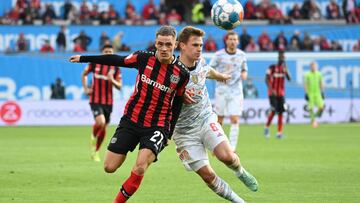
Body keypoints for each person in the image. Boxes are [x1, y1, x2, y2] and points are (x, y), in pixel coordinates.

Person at [69, 25, 189, 203]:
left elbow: (178, 102)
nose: (164, 48)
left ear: (176, 44)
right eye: (160, 44)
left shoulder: (182, 73)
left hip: (157, 126)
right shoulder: (143, 58)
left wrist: (169, 134)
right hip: (131, 120)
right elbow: (116, 59)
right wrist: (84, 58)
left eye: (168, 45)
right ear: (155, 43)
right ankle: (131, 149)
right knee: (109, 167)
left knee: (140, 167)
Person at [173, 26, 258, 203]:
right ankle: (240, 201)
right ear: (182, 45)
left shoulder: (201, 62)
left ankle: (240, 171)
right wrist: (178, 96)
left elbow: (208, 71)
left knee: (227, 156)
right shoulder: (170, 71)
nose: (199, 48)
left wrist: (220, 76)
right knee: (208, 176)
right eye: (195, 45)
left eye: (201, 45)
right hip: (183, 132)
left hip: (205, 119)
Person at [81, 44, 122, 162]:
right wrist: (85, 88)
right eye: (106, 51)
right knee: (101, 121)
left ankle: (96, 151)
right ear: (102, 53)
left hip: (108, 102)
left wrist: (112, 80)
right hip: (95, 99)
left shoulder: (116, 68)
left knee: (104, 127)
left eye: (110, 51)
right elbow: (83, 74)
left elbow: (119, 86)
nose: (108, 53)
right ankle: (93, 137)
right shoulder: (94, 64)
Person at [209, 31, 248, 151]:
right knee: (220, 119)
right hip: (222, 89)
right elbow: (209, 70)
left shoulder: (242, 55)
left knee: (235, 119)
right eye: (230, 39)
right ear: (226, 41)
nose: (232, 41)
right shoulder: (219, 55)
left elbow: (244, 69)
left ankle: (232, 148)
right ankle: (218, 145)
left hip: (236, 90)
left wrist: (244, 74)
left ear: (238, 41)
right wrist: (219, 76)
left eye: (235, 39)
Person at [264, 51, 291, 138]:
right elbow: (266, 79)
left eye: (284, 57)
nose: (283, 58)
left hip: (281, 94)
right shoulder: (272, 67)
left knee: (281, 112)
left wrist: (287, 71)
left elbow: (289, 79)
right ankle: (267, 128)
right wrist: (271, 90)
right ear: (278, 57)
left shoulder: (284, 68)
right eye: (281, 57)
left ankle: (279, 133)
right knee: (273, 110)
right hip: (272, 94)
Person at [304, 61, 324, 128]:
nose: (313, 67)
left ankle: (315, 116)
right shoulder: (307, 74)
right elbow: (305, 84)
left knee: (321, 107)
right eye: (312, 66)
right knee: (311, 108)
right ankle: (313, 121)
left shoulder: (319, 74)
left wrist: (322, 92)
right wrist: (306, 93)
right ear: (310, 67)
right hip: (310, 94)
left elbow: (321, 83)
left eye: (314, 66)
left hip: (318, 93)